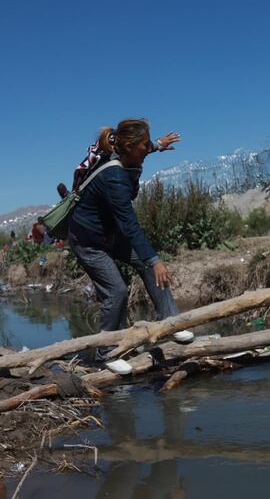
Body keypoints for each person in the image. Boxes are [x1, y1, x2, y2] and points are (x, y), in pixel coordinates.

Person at [67, 119, 191, 372]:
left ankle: (171, 323)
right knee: (117, 291)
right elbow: (129, 224)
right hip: (89, 241)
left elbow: (138, 150)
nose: (148, 148)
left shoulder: (124, 154)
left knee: (147, 264)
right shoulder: (114, 177)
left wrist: (158, 145)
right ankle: (107, 351)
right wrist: (155, 259)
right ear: (130, 146)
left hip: (108, 233)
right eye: (145, 144)